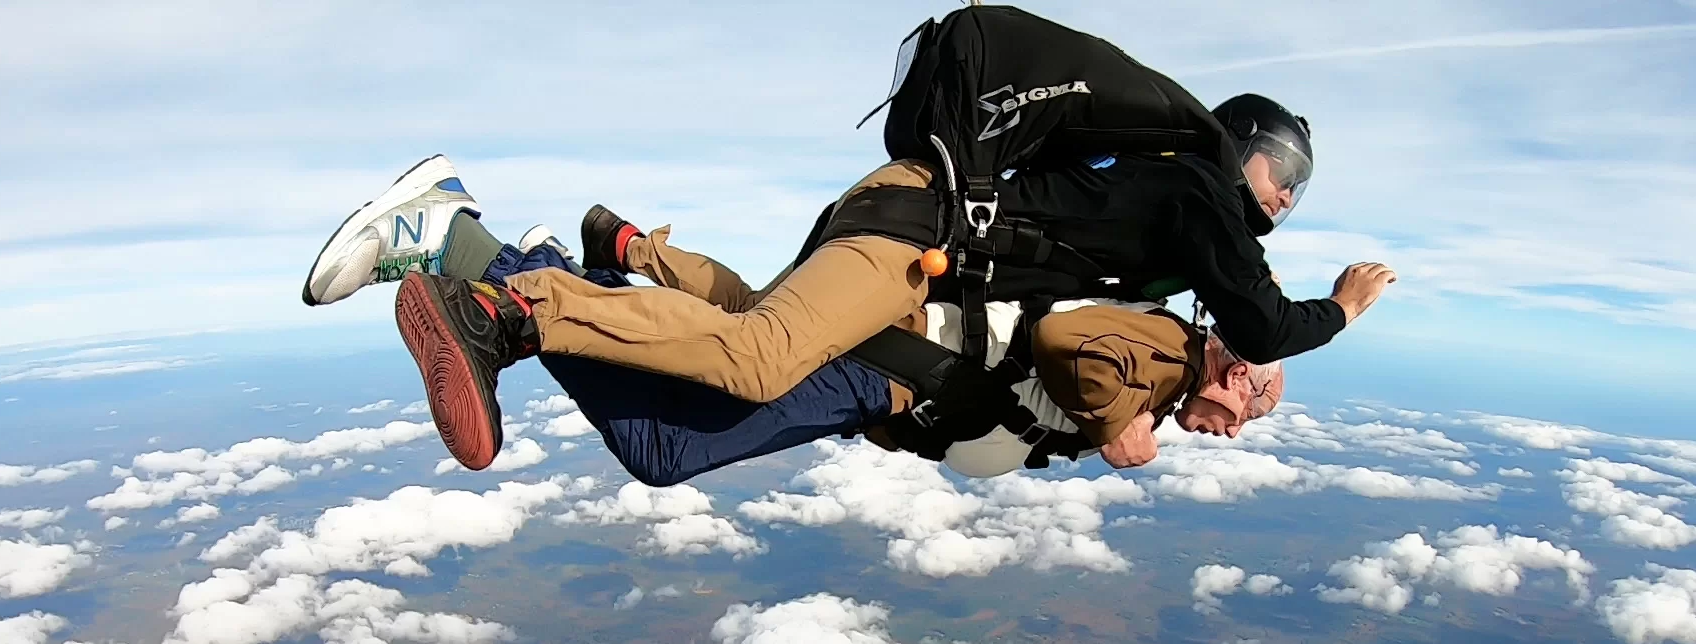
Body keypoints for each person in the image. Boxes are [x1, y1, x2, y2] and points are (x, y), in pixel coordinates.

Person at [341, 92, 1392, 472]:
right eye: (1251, 400)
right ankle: (502, 284)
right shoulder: (1167, 347)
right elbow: (1072, 348)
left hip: (899, 354)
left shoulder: (1160, 274)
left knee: (738, 338)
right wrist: (1128, 429)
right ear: (1231, 367)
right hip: (897, 348)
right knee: (714, 391)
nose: (1238, 423)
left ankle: (541, 262)